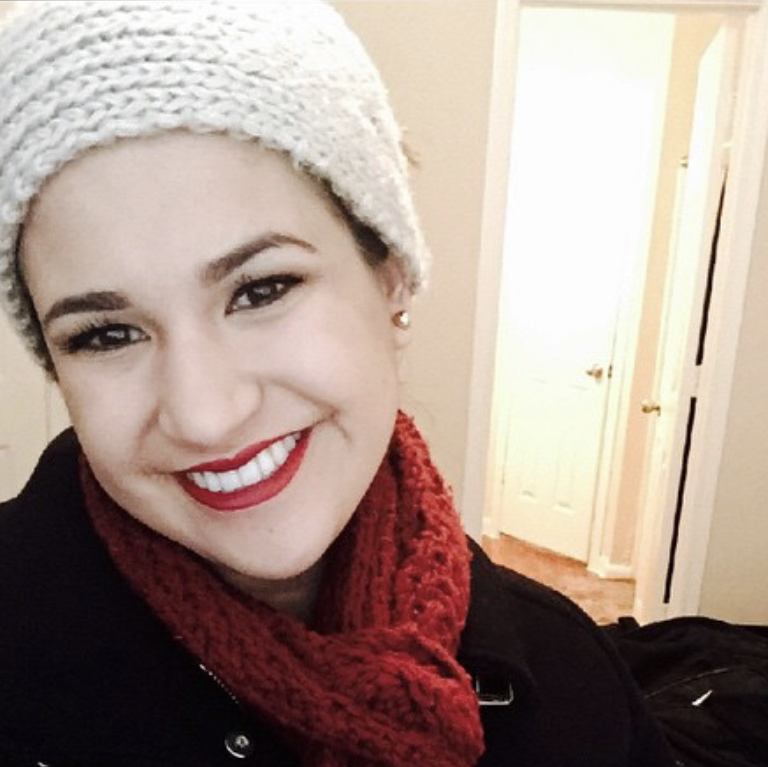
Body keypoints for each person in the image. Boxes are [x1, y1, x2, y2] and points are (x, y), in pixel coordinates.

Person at [0, 2, 676, 766]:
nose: (204, 414)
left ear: (391, 276)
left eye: (260, 290)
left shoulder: (569, 680)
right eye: (106, 334)